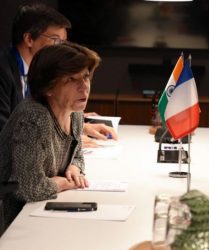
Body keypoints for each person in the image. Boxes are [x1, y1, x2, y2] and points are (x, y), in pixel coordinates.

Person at [0, 41, 100, 229]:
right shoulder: (34, 118)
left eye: (85, 77)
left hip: (41, 211)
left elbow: (78, 154)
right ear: (48, 88)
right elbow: (29, 188)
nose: (83, 87)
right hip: (13, 222)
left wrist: (74, 168)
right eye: (71, 79)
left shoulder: (74, 112)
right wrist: (63, 183)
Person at [0, 3, 116, 144]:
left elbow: (41, 118)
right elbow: (5, 131)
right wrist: (65, 140)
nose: (62, 48)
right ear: (29, 39)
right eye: (56, 40)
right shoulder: (3, 70)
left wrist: (78, 126)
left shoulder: (39, 72)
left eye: (64, 42)